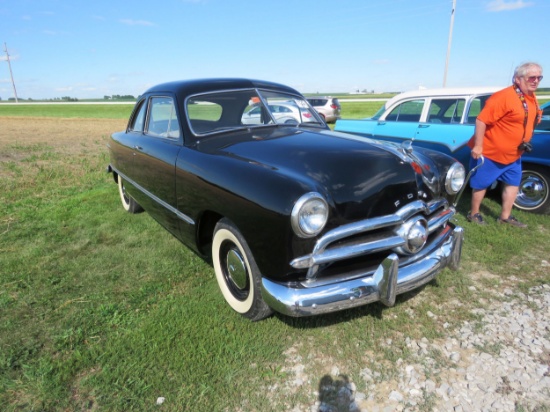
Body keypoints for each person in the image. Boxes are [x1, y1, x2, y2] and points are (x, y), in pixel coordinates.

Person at [467, 62, 543, 228]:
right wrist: (478, 146)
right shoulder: (503, 97)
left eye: (539, 77)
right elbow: (481, 120)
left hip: (514, 155)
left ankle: (505, 217)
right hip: (490, 153)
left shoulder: (531, 97)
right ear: (517, 79)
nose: (536, 81)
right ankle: (473, 213)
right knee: (481, 184)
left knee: (513, 184)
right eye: (532, 77)